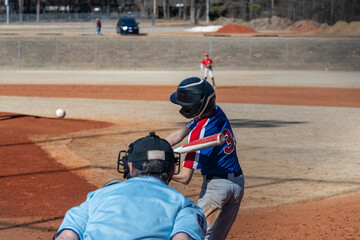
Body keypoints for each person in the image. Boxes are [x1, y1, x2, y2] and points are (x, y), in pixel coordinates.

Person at [54, 132, 207, 240]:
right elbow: (183, 238)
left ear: (131, 168)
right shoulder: (185, 206)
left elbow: (66, 236)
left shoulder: (97, 196)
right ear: (173, 170)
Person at [166, 77, 244, 240]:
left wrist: (161, 172)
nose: (182, 106)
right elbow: (181, 133)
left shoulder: (199, 134)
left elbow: (185, 177)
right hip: (237, 184)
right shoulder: (215, 112)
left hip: (216, 190)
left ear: (196, 106)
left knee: (197, 234)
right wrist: (157, 144)